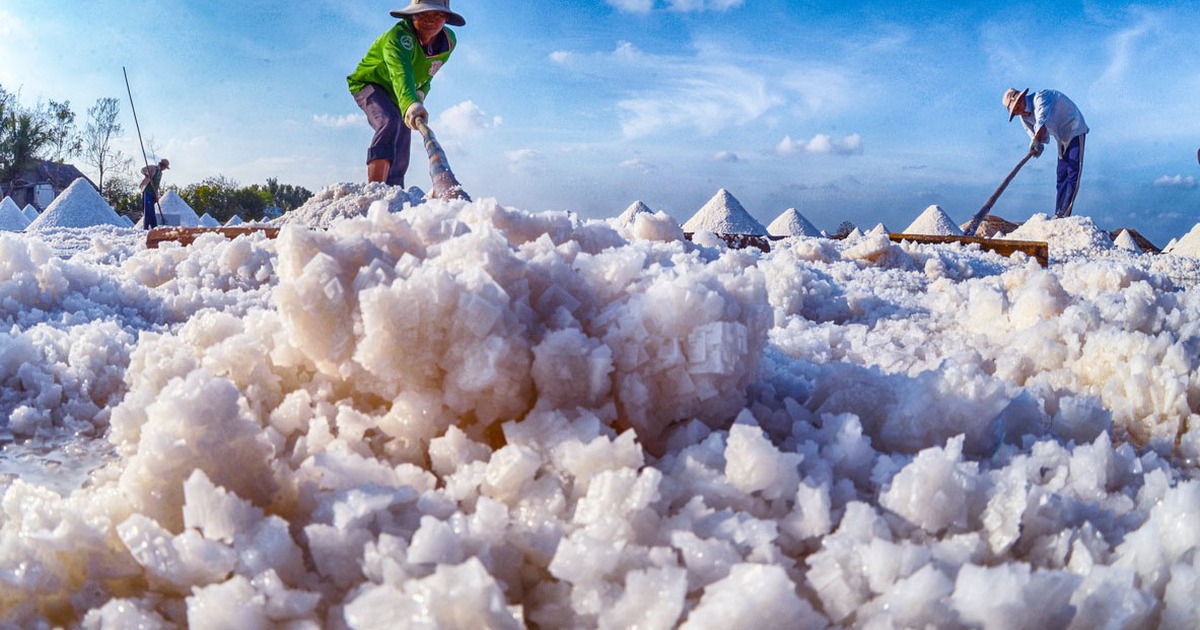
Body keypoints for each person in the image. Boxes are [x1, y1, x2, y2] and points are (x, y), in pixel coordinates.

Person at [347, 0, 465, 187]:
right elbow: (400, 73)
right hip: (371, 84)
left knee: (403, 138)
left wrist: (420, 93)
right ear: (413, 15)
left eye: (437, 14)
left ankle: (394, 190)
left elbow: (428, 74)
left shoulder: (449, 43)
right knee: (389, 121)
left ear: (446, 18)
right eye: (423, 14)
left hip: (402, 94)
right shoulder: (397, 37)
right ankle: (375, 189)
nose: (430, 20)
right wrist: (410, 101)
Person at [1002, 88, 1089, 219]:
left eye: (1017, 106)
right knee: (1061, 175)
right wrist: (1036, 146)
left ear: (1021, 99)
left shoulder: (1040, 98)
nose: (1018, 111)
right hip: (1060, 136)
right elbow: (1033, 135)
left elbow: (1041, 120)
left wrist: (1037, 140)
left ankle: (1064, 213)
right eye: (1014, 111)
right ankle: (1058, 213)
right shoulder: (1023, 117)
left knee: (1073, 172)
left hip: (1074, 127)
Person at [139, 158, 169, 229]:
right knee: (147, 210)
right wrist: (147, 174)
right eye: (165, 167)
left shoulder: (160, 173)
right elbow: (142, 170)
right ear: (162, 165)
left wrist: (157, 195)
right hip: (147, 191)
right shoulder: (153, 168)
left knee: (152, 210)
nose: (164, 169)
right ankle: (146, 227)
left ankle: (153, 226)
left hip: (153, 193)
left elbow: (157, 184)